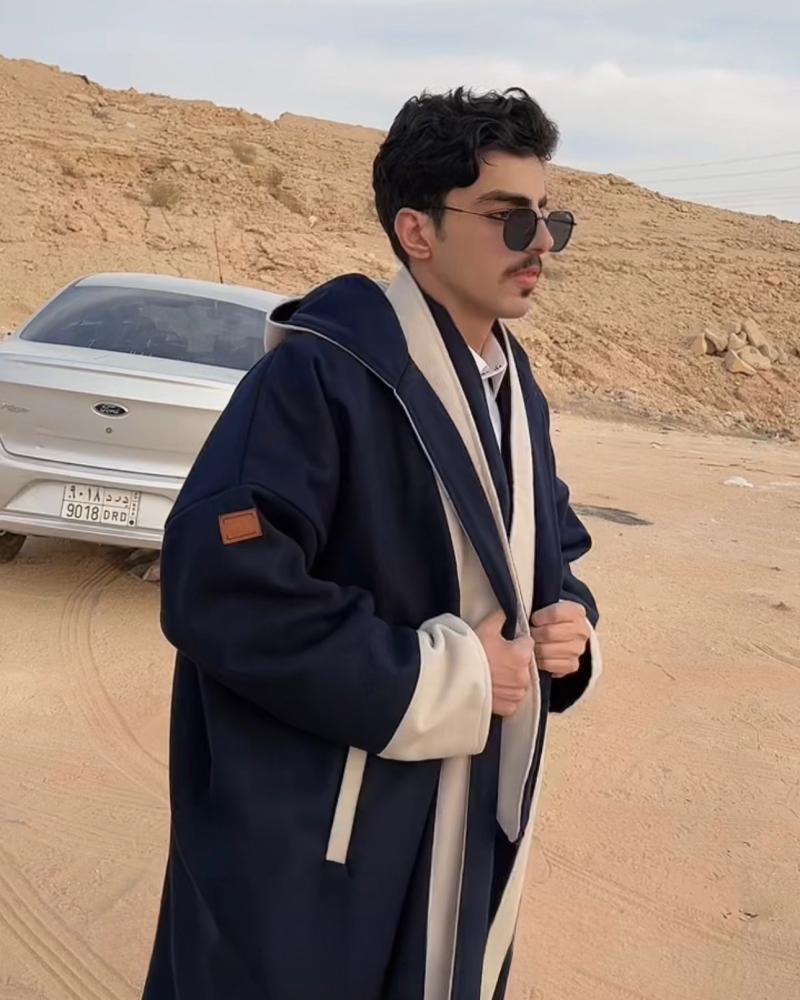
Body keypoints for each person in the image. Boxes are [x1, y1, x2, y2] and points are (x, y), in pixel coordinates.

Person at [142, 86, 601, 1000]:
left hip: (455, 819)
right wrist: (444, 674)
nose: (541, 245)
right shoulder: (320, 376)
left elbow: (551, 547)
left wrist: (569, 625)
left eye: (551, 220)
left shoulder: (514, 393)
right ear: (417, 231)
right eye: (510, 218)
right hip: (328, 831)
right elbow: (220, 582)